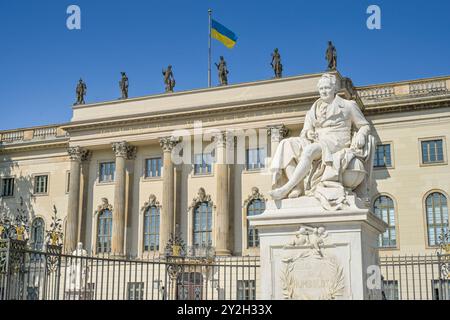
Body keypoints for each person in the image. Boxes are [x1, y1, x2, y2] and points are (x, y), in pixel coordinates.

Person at [269, 73, 371, 210]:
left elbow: (364, 125)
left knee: (309, 151)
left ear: (334, 89)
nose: (323, 91)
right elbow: (305, 131)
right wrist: (308, 133)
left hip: (336, 141)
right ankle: (298, 187)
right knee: (286, 145)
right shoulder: (314, 109)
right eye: (321, 88)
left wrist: (361, 135)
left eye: (327, 88)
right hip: (317, 140)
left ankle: (286, 187)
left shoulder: (348, 105)